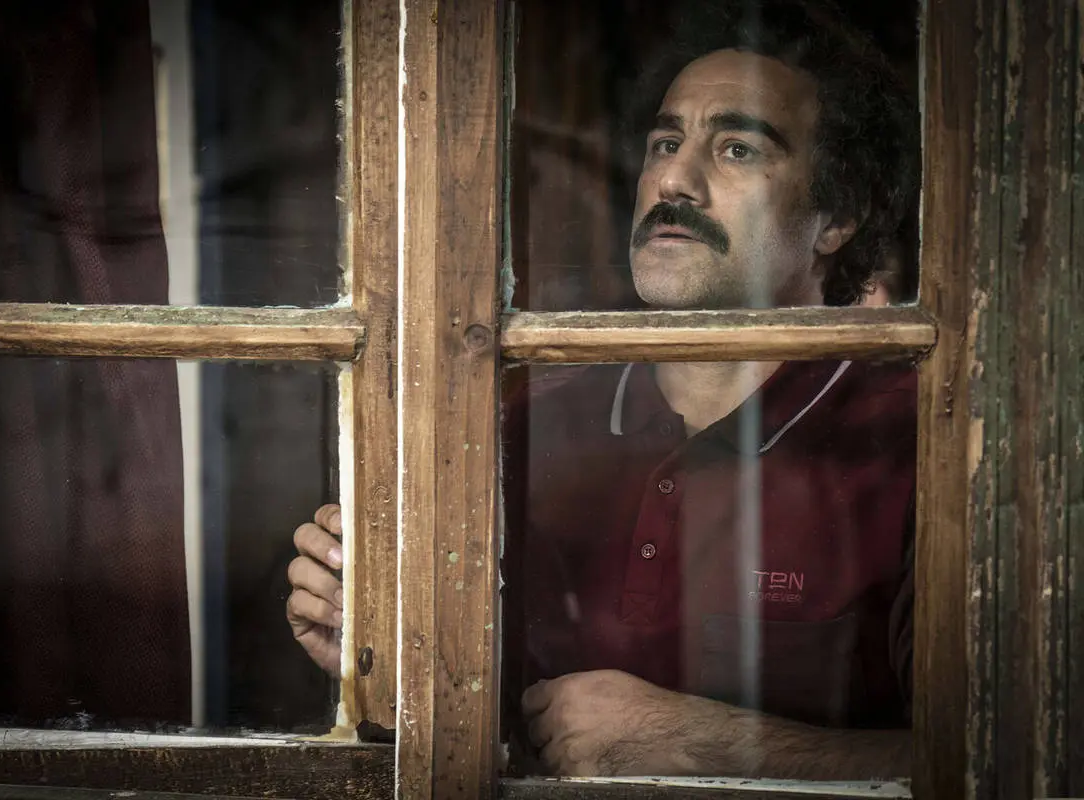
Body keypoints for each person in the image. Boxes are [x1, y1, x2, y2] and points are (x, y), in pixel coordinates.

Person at [286, 0, 919, 780]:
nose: (675, 180)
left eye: (737, 148)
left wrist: (708, 745)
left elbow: (1011, 764)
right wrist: (377, 655)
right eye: (666, 143)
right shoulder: (513, 426)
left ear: (837, 218)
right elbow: (460, 729)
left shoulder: (915, 448)